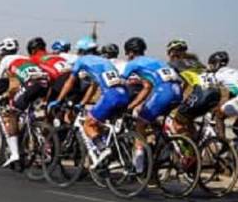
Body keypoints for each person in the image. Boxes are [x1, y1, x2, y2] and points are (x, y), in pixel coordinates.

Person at [50, 37, 130, 167]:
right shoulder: (104, 61)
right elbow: (93, 86)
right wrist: (82, 103)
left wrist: (58, 100)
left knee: (88, 123)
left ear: (81, 51)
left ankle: (104, 150)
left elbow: (69, 82)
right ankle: (111, 151)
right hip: (124, 95)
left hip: (111, 96)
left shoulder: (81, 61)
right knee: (100, 124)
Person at [0, 37, 49, 168]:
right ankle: (33, 135)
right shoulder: (26, 58)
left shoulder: (5, 60)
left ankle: (15, 154)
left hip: (32, 84)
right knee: (24, 109)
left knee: (12, 114)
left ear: (3, 51)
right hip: (44, 84)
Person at [121, 37, 183, 172]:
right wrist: (132, 106)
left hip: (164, 91)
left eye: (127, 54)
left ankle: (138, 167)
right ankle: (163, 151)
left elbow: (120, 86)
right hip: (178, 92)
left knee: (140, 123)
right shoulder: (156, 61)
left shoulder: (133, 64)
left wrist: (123, 106)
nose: (127, 57)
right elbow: (147, 87)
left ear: (130, 52)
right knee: (154, 122)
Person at [166, 38, 220, 137]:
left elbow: (167, 84)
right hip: (216, 93)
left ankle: (189, 151)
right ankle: (195, 145)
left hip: (202, 94)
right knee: (188, 119)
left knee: (177, 123)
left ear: (171, 53)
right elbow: (186, 82)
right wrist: (181, 93)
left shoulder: (173, 64)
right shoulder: (196, 63)